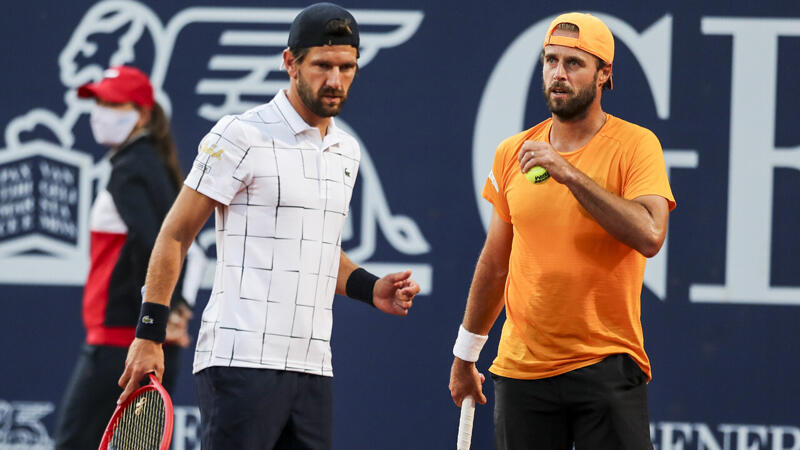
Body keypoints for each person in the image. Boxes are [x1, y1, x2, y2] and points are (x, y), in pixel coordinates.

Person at [117, 3, 421, 449]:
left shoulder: (346, 152)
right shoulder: (240, 135)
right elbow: (175, 234)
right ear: (290, 63)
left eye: (346, 67)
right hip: (239, 364)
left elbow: (316, 250)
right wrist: (149, 333)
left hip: (313, 368)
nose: (335, 80)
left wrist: (369, 288)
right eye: (321, 66)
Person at [449, 12, 676, 450]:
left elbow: (650, 234)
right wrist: (465, 353)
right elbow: (496, 264)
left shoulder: (636, 145)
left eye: (574, 63)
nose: (558, 74)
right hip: (521, 373)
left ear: (604, 74)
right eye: (550, 61)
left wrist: (569, 173)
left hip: (607, 365)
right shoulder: (513, 151)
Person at [53, 65, 193, 449]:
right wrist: (173, 311)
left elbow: (155, 248)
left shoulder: (132, 169)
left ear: (143, 114)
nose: (100, 112)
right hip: (138, 341)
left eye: (112, 104)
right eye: (97, 102)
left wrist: (157, 320)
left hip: (122, 344)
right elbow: (176, 246)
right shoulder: (151, 163)